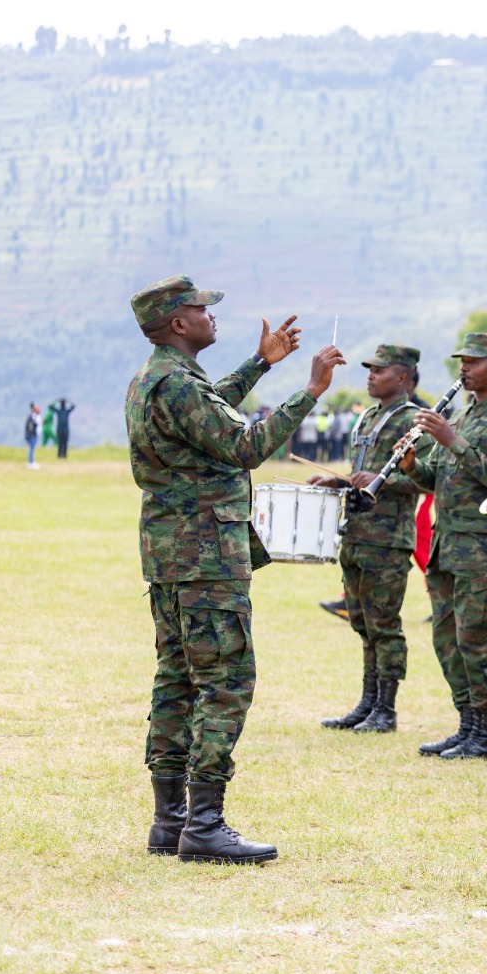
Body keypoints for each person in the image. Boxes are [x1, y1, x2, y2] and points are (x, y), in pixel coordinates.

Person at [125, 274, 344, 863]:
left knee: (176, 680)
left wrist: (259, 364)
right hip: (205, 559)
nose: (210, 315)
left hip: (172, 558)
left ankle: (170, 822)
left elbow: (208, 411)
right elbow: (243, 446)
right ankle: (205, 825)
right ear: (178, 323)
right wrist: (311, 391)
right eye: (202, 309)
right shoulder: (177, 384)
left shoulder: (160, 379)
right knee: (224, 681)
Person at [402, 333, 487, 761]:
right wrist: (413, 465)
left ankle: (485, 735)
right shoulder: (466, 413)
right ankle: (466, 724)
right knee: (446, 638)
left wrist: (453, 439)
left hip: (481, 549)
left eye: (473, 361)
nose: (463, 368)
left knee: (477, 637)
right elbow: (438, 479)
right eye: (462, 361)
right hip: (446, 545)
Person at [310, 345, 425, 734]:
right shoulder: (369, 418)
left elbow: (424, 481)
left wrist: (384, 479)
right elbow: (360, 475)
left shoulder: (414, 422)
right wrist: (337, 480)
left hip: (388, 539)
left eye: (380, 370)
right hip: (357, 533)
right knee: (362, 622)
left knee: (384, 624)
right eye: (370, 369)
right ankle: (368, 701)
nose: (371, 375)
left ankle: (386, 709)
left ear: (403, 378)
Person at [23, 403, 40, 469]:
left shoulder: (35, 416)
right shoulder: (30, 417)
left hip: (34, 434)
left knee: (33, 449)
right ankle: (31, 462)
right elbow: (29, 427)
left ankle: (32, 461)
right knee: (31, 449)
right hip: (31, 435)